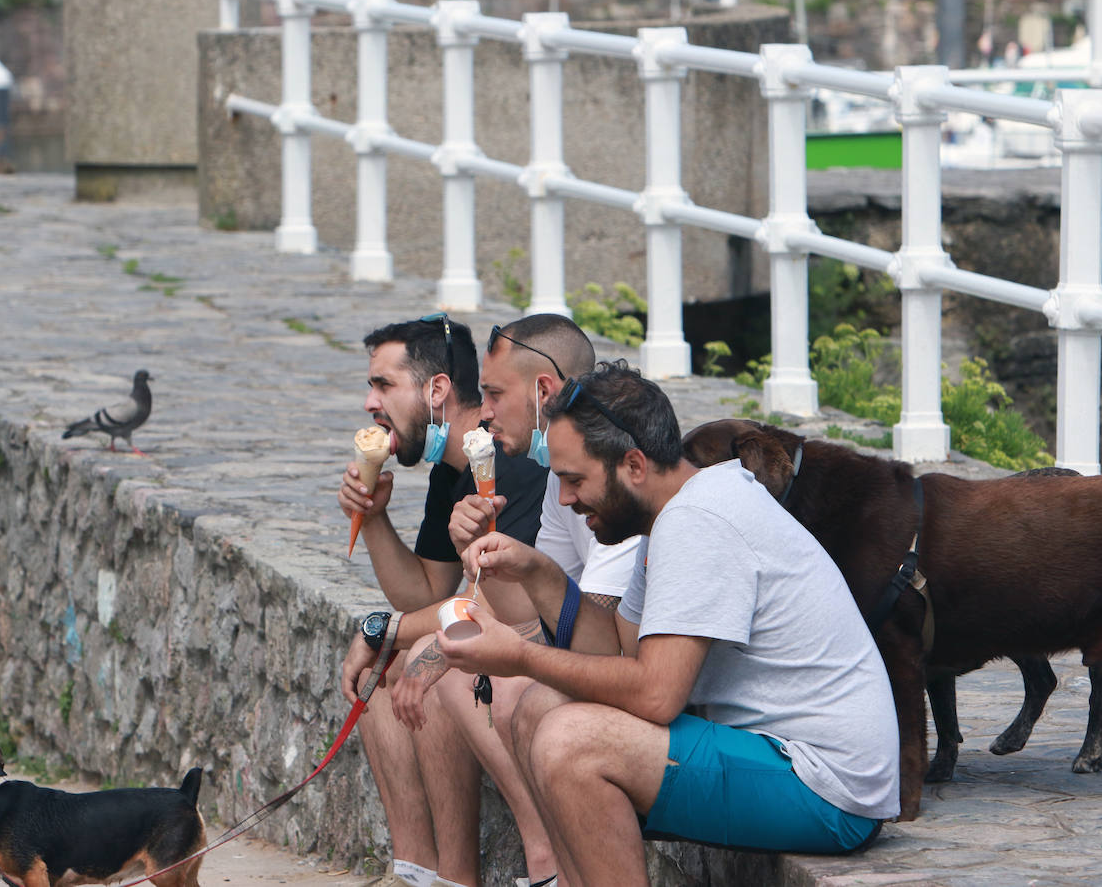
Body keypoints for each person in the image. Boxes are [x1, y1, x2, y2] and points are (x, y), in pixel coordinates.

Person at [437, 361, 901, 885]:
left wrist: (519, 656)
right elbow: (615, 654)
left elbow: (656, 695)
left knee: (572, 740)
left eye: (574, 479)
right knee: (536, 708)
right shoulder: (674, 512)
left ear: (634, 465)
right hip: (774, 759)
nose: (565, 499)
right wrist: (539, 572)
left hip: (827, 787)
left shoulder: (699, 521)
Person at [387, 315, 644, 886]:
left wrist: (420, 639)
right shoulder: (558, 477)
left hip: (651, 695)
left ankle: (547, 860)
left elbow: (601, 646)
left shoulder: (612, 477)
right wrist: (483, 547)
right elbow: (531, 617)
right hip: (610, 671)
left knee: (488, 683)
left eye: (495, 395)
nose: (484, 412)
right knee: (445, 662)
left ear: (544, 391)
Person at [337, 315, 549, 887]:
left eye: (383, 385)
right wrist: (374, 518)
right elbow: (428, 591)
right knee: (389, 666)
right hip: (502, 642)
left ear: (436, 390)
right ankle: (416, 872)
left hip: (548, 649)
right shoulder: (450, 472)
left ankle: (491, 869)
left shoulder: (511, 462)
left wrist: (386, 627)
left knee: (427, 651)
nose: (369, 402)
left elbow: (496, 608)